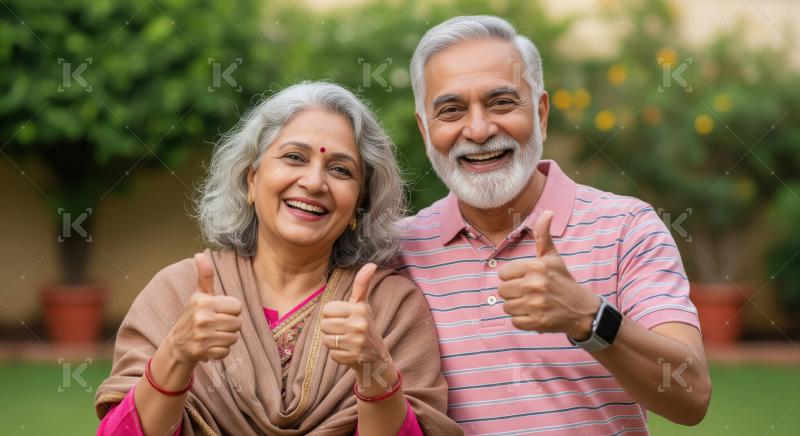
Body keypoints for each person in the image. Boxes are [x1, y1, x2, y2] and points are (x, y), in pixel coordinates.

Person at [397, 16, 712, 434]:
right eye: (451, 111)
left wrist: (589, 318)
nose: (477, 129)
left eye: (502, 103)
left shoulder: (626, 228)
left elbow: (690, 396)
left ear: (541, 113)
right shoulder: (398, 252)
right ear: (425, 129)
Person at [95, 82, 462, 435]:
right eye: (293, 158)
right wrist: (177, 354)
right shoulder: (178, 293)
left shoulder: (390, 309)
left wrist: (376, 371)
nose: (314, 182)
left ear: (360, 203)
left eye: (340, 170)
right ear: (251, 179)